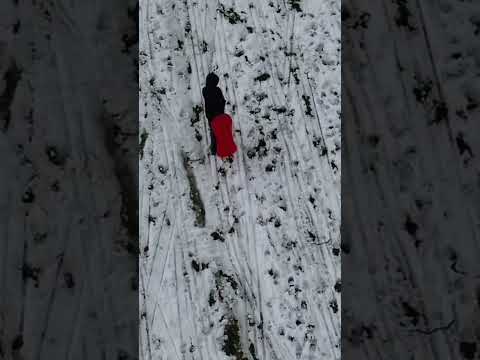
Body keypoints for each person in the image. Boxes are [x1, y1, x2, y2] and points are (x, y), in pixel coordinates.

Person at [202, 73, 226, 155]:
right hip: (219, 114)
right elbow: (222, 101)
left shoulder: (204, 90)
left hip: (210, 116)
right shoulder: (218, 90)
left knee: (213, 133)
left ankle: (213, 150)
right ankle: (222, 148)